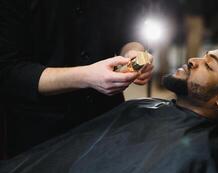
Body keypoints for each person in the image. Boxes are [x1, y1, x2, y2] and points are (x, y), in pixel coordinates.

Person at [0, 49, 218, 173]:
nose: (194, 60)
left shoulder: (200, 157)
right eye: (202, 56)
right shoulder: (141, 107)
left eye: (209, 64)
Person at [0, 0, 153, 158]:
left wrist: (133, 51)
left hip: (107, 121)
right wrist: (86, 77)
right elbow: (8, 71)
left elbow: (129, 31)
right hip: (40, 135)